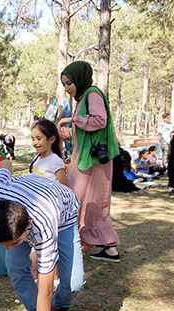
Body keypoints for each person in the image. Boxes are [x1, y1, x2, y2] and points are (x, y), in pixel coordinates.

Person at [0, 159, 84, 311]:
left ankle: (61, 307)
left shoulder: (43, 226)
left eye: (14, 243)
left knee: (74, 280)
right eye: (5, 245)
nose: (9, 248)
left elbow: (46, 288)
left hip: (62, 212)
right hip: (26, 198)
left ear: (27, 229)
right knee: (14, 266)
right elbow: (5, 162)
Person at [57, 61, 120, 263]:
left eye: (69, 83)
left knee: (90, 202)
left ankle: (82, 244)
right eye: (65, 85)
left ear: (79, 78)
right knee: (84, 201)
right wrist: (70, 134)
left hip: (94, 162)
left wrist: (72, 121)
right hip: (85, 158)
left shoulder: (92, 94)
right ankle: (104, 247)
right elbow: (87, 129)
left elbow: (99, 120)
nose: (67, 88)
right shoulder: (84, 97)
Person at [29, 118, 69, 186]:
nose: (34, 143)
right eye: (33, 139)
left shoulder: (55, 161)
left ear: (51, 139)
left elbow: (65, 188)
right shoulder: (37, 158)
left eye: (38, 139)